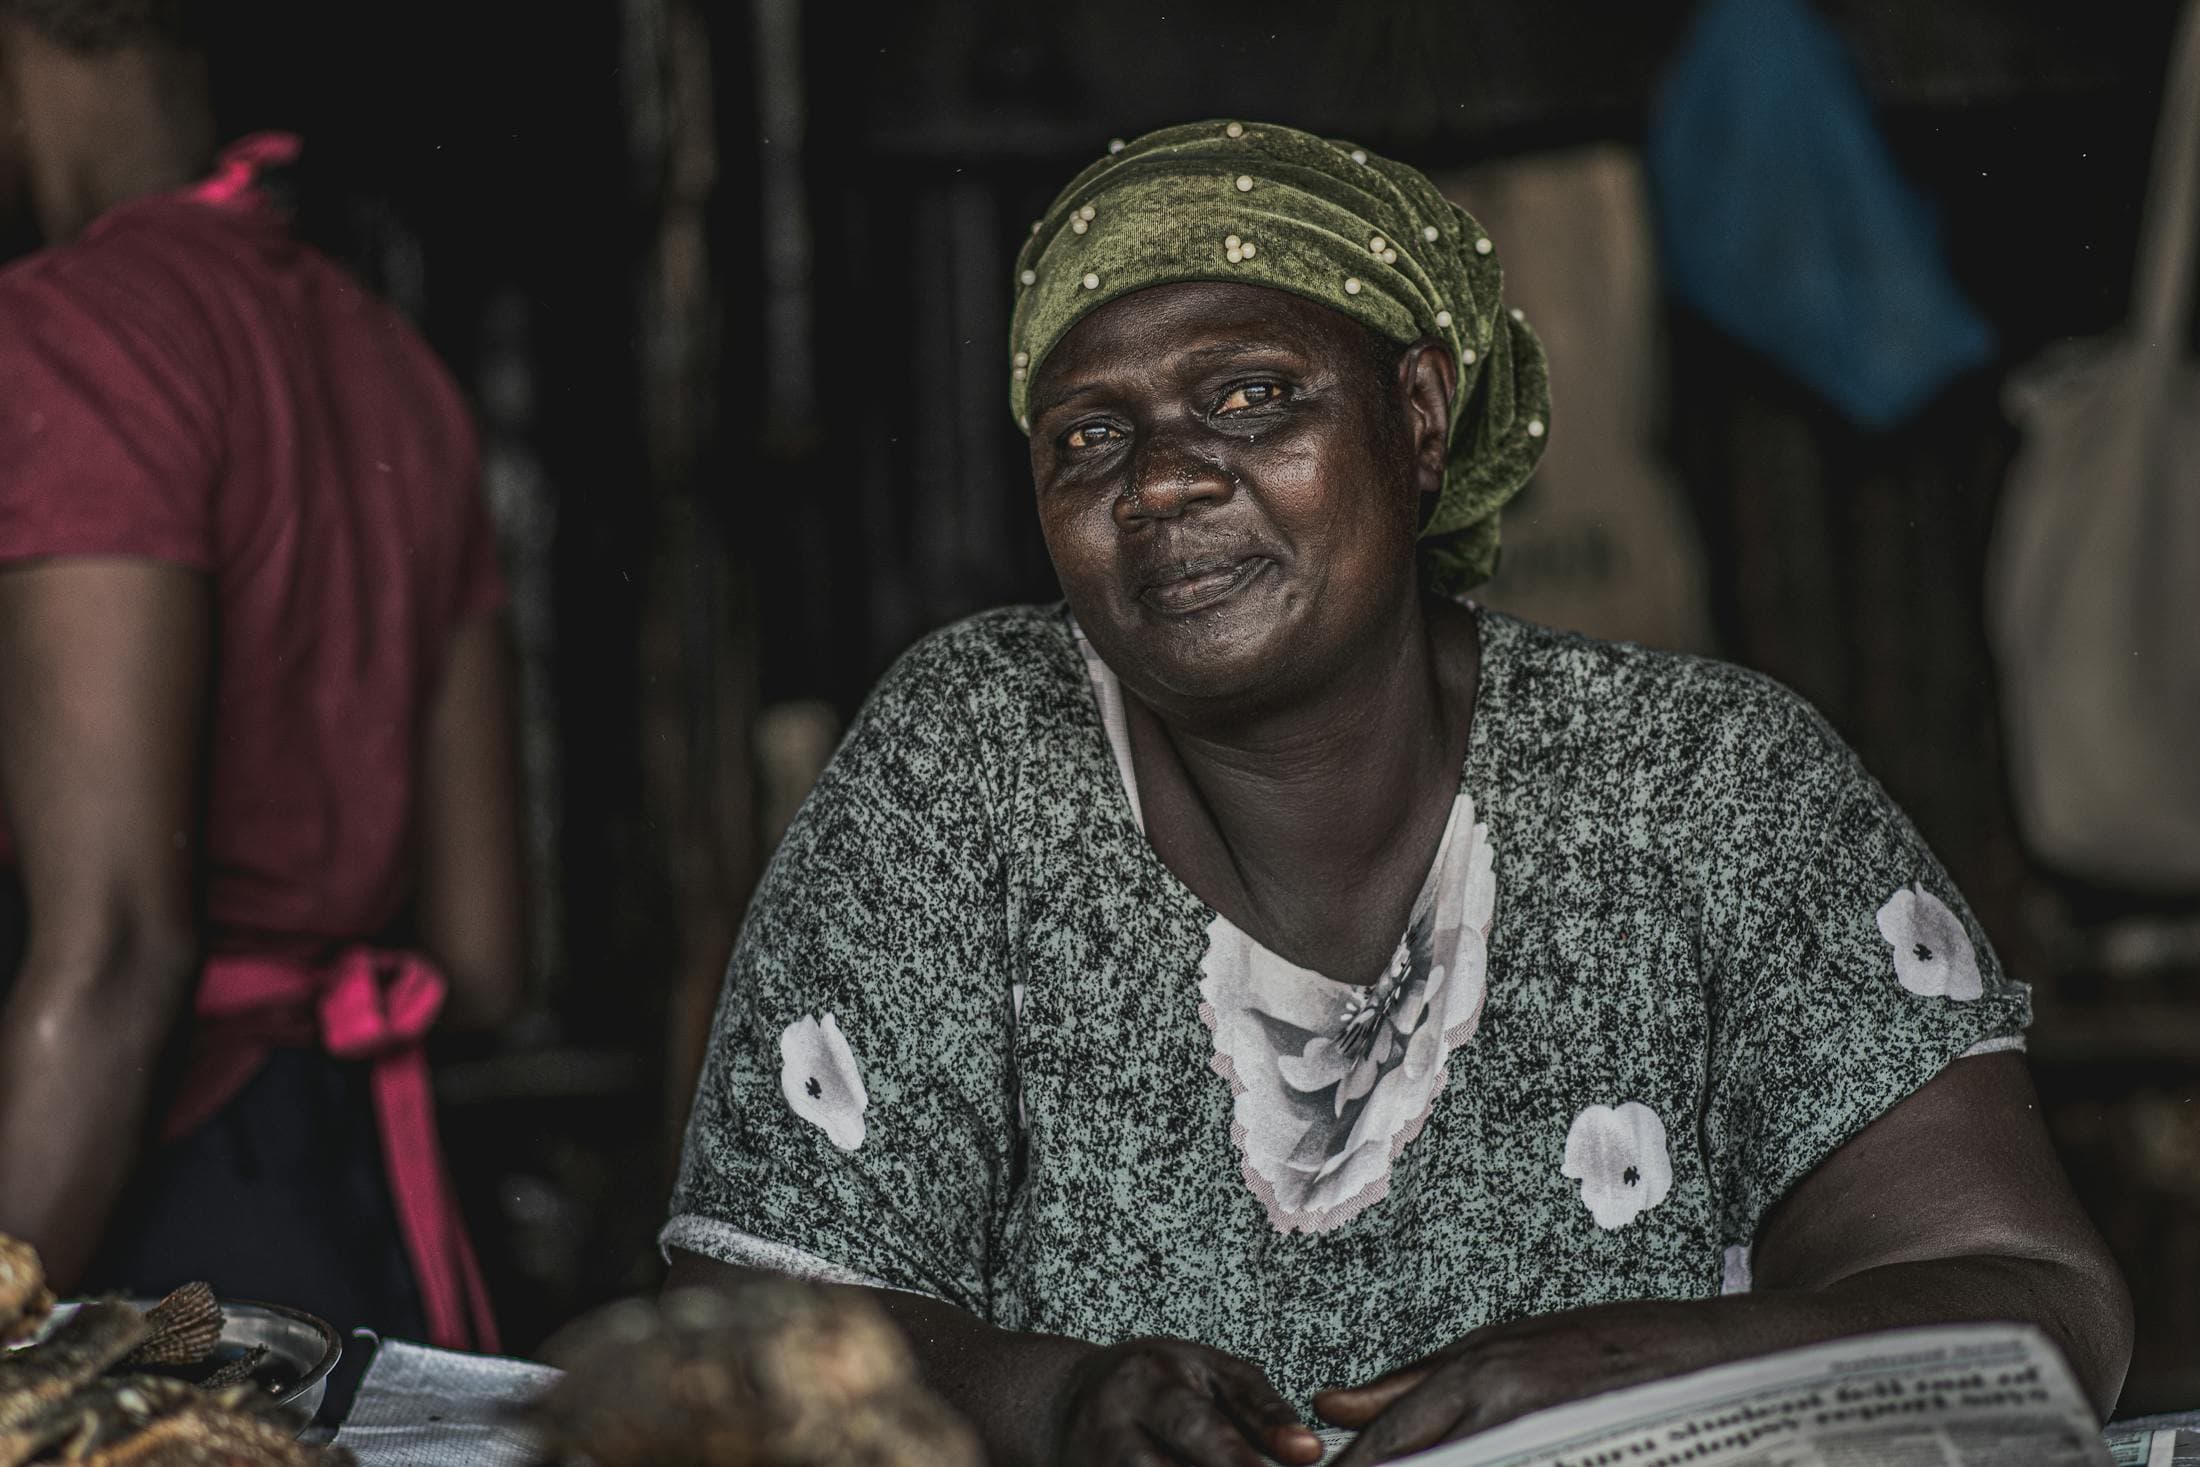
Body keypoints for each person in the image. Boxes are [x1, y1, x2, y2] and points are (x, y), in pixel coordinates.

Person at [663, 121, 2131, 1465]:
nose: (1161, 479)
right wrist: (1060, 1405)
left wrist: (1645, 1360)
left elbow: (2035, 1298)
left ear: (1420, 417)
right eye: (1087, 438)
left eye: (1250, 396)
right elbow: (751, 1319)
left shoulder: (1705, 785)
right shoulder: (971, 756)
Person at [0, 0, 521, 1349]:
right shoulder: (396, 367)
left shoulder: (70, 337)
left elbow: (116, 952)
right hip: (363, 1217)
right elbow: (483, 955)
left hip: (134, 1220)